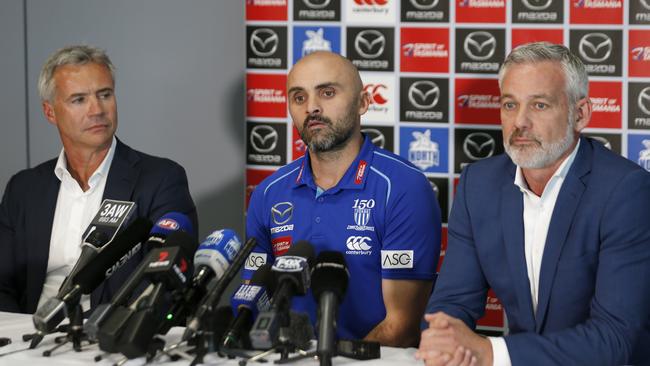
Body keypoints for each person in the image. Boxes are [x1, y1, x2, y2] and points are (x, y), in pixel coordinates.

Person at [416, 42, 650, 365]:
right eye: (509, 105)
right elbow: (453, 302)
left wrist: (490, 352)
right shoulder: (478, 185)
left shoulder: (625, 191)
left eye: (539, 106)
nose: (519, 122)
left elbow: (614, 339)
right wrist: (445, 337)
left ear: (580, 114)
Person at [245, 51, 441, 347]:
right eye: (299, 98)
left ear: (363, 102)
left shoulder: (403, 187)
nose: (312, 107)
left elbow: (401, 326)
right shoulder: (268, 193)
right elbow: (252, 301)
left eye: (327, 92)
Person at [0, 45, 198, 314]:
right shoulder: (23, 189)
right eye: (79, 100)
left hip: (110, 340)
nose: (97, 110)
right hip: (30, 342)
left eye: (104, 95)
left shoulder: (160, 179)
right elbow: (2, 286)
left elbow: (163, 285)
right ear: (50, 112)